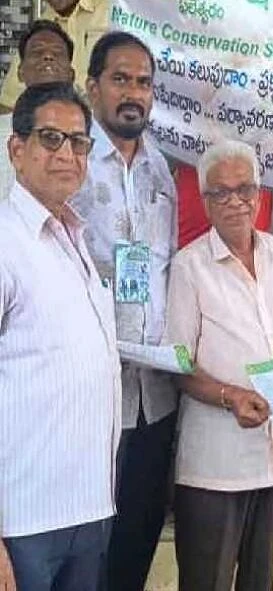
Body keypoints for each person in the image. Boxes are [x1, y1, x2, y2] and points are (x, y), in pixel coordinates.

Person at [163, 139, 273, 591]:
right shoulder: (189, 267)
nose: (235, 202)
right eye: (221, 192)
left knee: (259, 581)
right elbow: (178, 367)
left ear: (259, 194)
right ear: (205, 201)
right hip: (215, 467)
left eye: (244, 189)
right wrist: (230, 396)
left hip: (271, 454)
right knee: (206, 582)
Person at [0, 82, 121, 591]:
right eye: (51, 138)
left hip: (87, 509)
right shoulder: (6, 241)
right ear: (16, 149)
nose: (67, 153)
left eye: (79, 142)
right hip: (22, 520)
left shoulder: (75, 236)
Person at [70, 31, 178, 591]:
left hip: (153, 397)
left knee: (138, 536)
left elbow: (167, 268)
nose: (133, 93)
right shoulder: (71, 163)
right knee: (85, 546)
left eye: (143, 82)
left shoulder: (161, 170)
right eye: (120, 79)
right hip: (90, 392)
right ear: (93, 88)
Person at [0, 20, 75, 198]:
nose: (47, 57)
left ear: (71, 74)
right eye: (37, 52)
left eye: (57, 53)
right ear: (20, 72)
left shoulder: (91, 134)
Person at [0, 0, 108, 109]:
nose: (47, 56)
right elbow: (8, 102)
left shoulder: (112, 9)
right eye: (39, 52)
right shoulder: (39, 31)